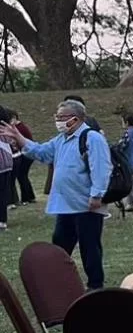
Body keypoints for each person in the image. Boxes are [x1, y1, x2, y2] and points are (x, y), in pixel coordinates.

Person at [0, 99, 112, 288]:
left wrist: (97, 195)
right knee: (60, 244)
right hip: (65, 205)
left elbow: (101, 167)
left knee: (89, 246)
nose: (58, 121)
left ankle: (95, 284)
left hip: (86, 204)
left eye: (62, 117)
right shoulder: (61, 139)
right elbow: (42, 152)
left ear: (75, 119)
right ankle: (59, 281)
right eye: (57, 117)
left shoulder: (92, 138)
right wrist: (19, 138)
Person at [6, 109, 33, 206]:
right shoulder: (18, 127)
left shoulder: (19, 128)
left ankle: (25, 198)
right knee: (22, 176)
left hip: (25, 154)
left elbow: (21, 141)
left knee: (22, 176)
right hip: (23, 153)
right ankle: (29, 197)